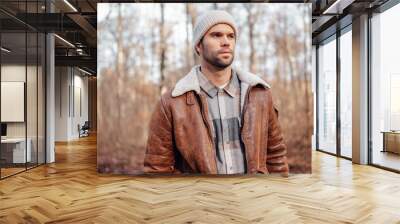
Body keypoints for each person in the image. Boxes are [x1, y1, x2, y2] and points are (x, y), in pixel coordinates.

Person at [144, 10, 289, 176]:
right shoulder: (172, 103)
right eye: (216, 35)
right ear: (199, 46)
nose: (226, 42)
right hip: (201, 200)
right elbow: (157, 169)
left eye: (231, 36)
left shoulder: (260, 94)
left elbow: (276, 157)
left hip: (252, 197)